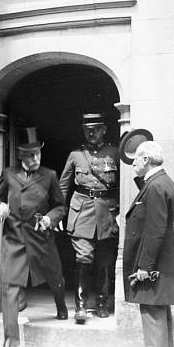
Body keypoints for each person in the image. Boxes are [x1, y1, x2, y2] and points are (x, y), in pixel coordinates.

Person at [0, 127, 68, 347]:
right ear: (20, 156)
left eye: (37, 154)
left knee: (55, 277)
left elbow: (60, 206)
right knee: (10, 286)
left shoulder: (50, 175)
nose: (35, 159)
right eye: (30, 155)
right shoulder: (8, 175)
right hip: (14, 237)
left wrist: (50, 218)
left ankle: (61, 305)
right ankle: (8, 338)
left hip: (40, 236)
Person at [123, 141, 174, 347]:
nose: (134, 163)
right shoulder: (159, 183)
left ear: (146, 159)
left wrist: (144, 266)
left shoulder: (156, 187)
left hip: (153, 262)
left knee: (152, 311)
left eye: (137, 159)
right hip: (160, 260)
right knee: (157, 309)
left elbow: (155, 230)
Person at [59, 113, 120, 323]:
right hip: (81, 212)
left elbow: (123, 185)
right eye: (87, 129)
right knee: (83, 258)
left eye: (95, 128)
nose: (91, 132)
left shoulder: (114, 152)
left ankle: (102, 302)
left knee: (104, 261)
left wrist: (119, 210)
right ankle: (81, 305)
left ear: (104, 129)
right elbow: (63, 186)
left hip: (107, 213)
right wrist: (60, 211)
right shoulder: (76, 154)